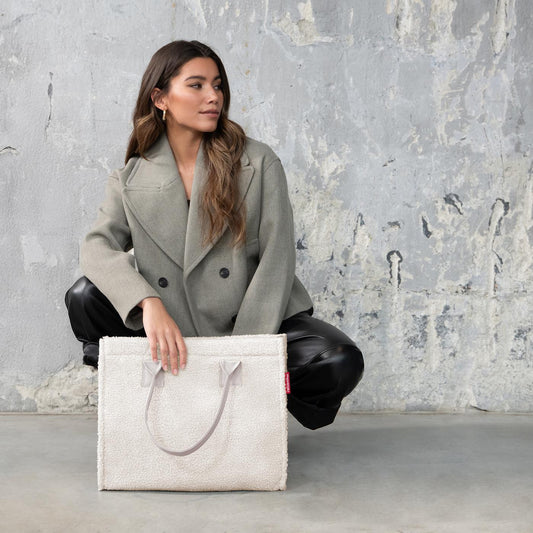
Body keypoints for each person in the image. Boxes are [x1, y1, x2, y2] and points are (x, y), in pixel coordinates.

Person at [65, 40, 364, 430]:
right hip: (172, 327)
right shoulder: (130, 178)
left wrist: (243, 353)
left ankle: (246, 405)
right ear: (160, 98)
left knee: (338, 360)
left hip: (253, 319)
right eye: (197, 85)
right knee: (84, 296)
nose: (214, 97)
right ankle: (150, 395)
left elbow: (276, 260)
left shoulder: (257, 162)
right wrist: (147, 303)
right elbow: (96, 246)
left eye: (217, 85)